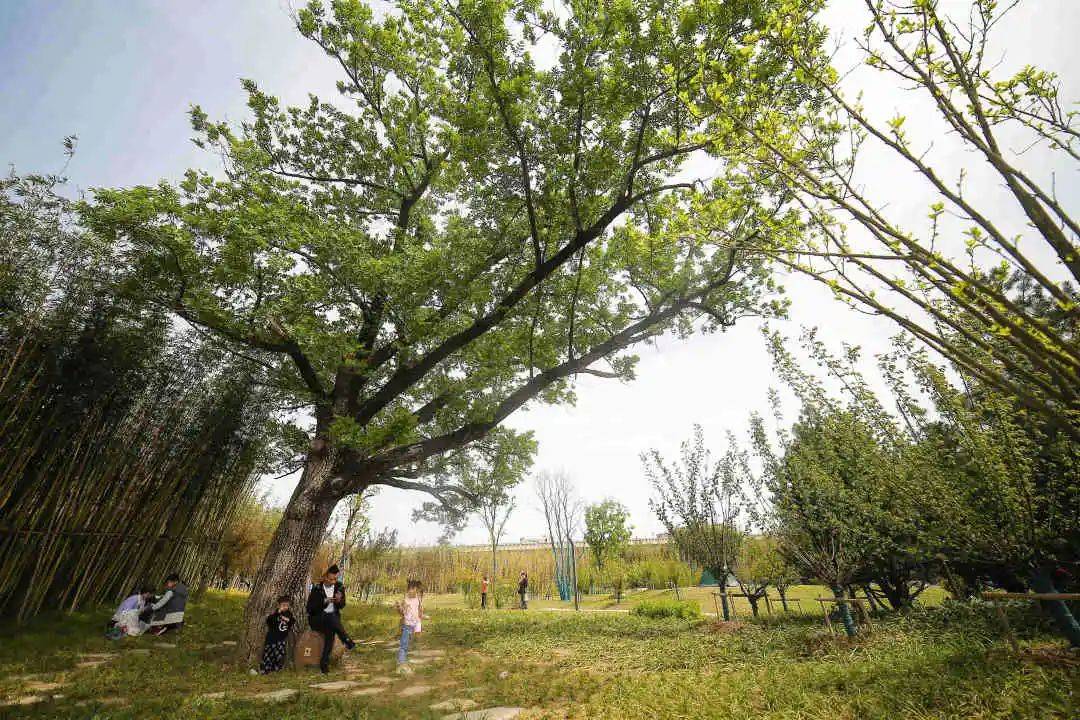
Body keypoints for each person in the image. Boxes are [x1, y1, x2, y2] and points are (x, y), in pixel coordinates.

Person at [306, 564, 356, 673]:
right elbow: (309, 609)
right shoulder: (317, 589)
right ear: (324, 577)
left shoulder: (339, 587)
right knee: (330, 617)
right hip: (317, 620)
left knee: (330, 635)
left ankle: (324, 664)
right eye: (330, 579)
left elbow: (342, 605)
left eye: (335, 579)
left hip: (332, 621)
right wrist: (323, 602)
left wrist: (338, 601)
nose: (333, 581)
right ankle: (346, 640)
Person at [257, 595, 296, 674]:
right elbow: (269, 621)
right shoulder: (275, 614)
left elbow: (292, 621)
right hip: (272, 639)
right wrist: (278, 613)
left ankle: (276, 669)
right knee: (268, 654)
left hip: (281, 639)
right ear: (279, 605)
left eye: (287, 606)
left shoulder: (288, 614)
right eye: (283, 605)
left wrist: (288, 620)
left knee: (279, 655)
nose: (285, 607)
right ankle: (265, 669)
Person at [396, 579, 425, 666]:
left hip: (415, 624)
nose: (412, 592)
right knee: (404, 644)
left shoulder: (418, 599)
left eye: (415, 590)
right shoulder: (405, 600)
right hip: (407, 624)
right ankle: (401, 662)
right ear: (408, 590)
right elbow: (401, 613)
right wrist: (398, 607)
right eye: (410, 590)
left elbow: (419, 611)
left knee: (410, 640)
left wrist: (422, 615)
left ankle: (406, 656)